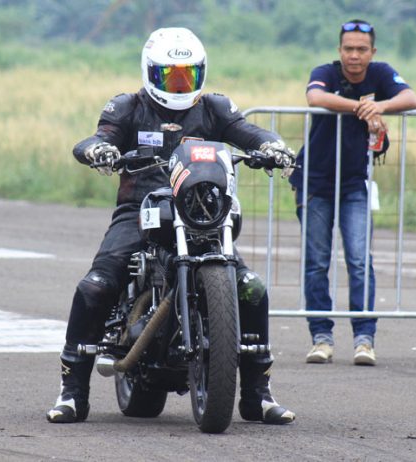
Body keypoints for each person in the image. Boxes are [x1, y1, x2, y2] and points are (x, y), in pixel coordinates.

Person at [46, 27, 296, 425]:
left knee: (251, 288)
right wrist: (99, 149)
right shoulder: (127, 106)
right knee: (97, 285)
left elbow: (248, 132)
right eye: (170, 76)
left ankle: (257, 395)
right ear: (150, 72)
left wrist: (272, 146)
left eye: (187, 75)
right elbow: (97, 137)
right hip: (141, 208)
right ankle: (72, 392)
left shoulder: (215, 107)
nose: (179, 84)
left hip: (201, 209)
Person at [289, 19, 416, 366]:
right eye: (348, 48)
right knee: (317, 263)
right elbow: (315, 96)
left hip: (354, 185)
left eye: (362, 49)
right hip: (314, 182)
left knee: (360, 262)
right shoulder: (326, 72)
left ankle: (364, 340)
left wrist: (381, 106)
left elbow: (412, 98)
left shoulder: (381, 73)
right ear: (340, 50)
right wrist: (361, 107)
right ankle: (321, 338)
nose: (354, 55)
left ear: (372, 52)